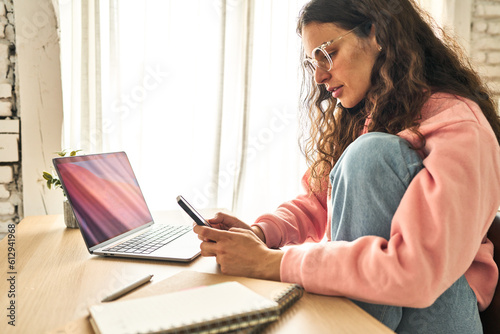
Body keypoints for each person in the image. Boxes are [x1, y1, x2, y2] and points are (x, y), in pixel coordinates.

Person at [193, 0, 500, 332]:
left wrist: (272, 263)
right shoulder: (371, 115)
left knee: (370, 153)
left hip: (441, 310)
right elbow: (320, 200)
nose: (320, 77)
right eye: (313, 63)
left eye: (328, 54)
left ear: (378, 34)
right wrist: (260, 234)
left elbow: (418, 274)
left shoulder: (461, 127)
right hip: (388, 305)